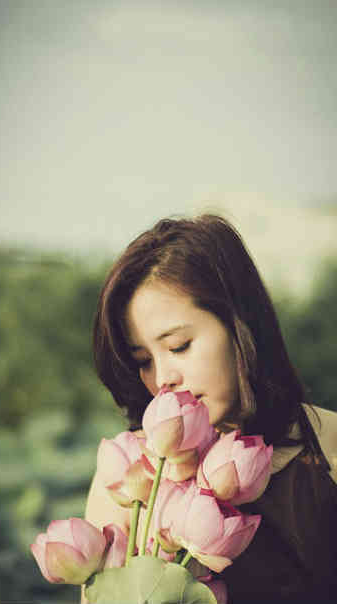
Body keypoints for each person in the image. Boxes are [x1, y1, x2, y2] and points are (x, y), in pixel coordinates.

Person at [84, 213, 337, 603]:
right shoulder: (128, 472)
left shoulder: (328, 445)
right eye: (143, 360)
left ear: (240, 325)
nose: (162, 378)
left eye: (179, 346)